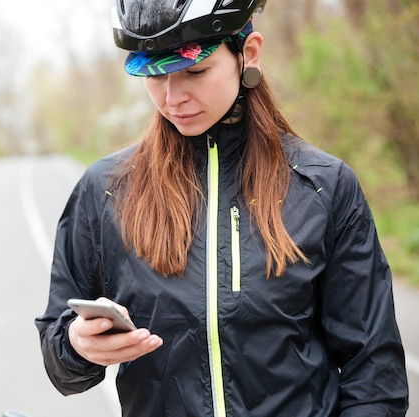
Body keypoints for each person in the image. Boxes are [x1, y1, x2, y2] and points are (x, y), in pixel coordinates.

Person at [35, 1, 409, 416]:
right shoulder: (104, 190)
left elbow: (374, 373)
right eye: (153, 74)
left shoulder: (324, 186)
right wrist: (76, 345)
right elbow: (59, 358)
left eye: (195, 71)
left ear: (248, 53)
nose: (172, 98)